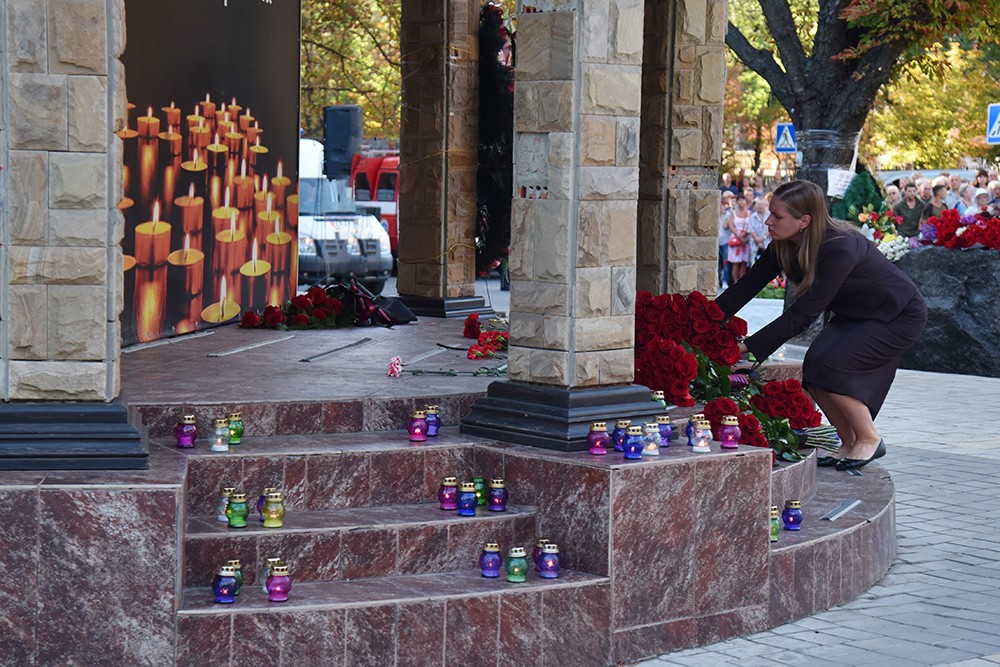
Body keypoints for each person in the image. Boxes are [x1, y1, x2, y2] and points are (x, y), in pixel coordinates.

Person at [716, 180, 927, 471]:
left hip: (896, 314)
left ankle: (869, 438)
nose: (768, 221)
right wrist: (703, 319)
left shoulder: (839, 247)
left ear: (804, 221)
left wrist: (745, 349)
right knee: (815, 368)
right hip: (856, 314)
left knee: (830, 365)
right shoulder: (784, 244)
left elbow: (803, 314)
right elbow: (747, 286)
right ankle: (849, 442)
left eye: (777, 216)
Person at [725, 193, 753, 283]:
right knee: (736, 262)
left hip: (746, 238)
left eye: (743, 200)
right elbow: (731, 225)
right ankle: (735, 282)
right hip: (736, 237)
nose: (741, 202)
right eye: (739, 200)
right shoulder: (733, 213)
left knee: (744, 262)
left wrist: (744, 234)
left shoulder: (749, 213)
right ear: (737, 202)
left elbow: (750, 225)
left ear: (745, 201)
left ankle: (742, 282)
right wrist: (738, 234)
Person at [718, 191, 734, 288]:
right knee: (718, 263)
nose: (722, 207)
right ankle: (718, 280)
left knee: (725, 263)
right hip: (717, 242)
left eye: (724, 205)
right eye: (721, 205)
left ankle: (725, 281)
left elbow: (725, 226)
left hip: (725, 242)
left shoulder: (728, 214)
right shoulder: (715, 214)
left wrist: (724, 215)